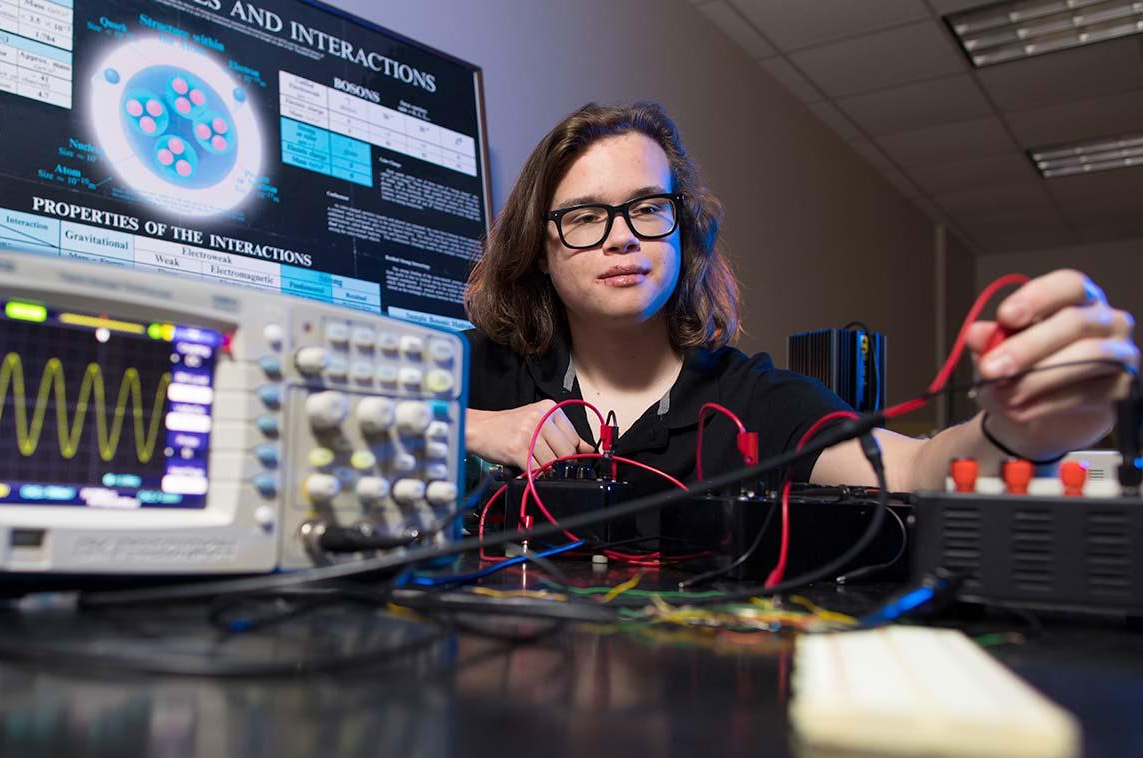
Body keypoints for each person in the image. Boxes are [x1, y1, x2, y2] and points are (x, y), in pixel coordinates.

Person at [461, 101, 1138, 494]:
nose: (621, 239)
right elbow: (355, 399)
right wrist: (476, 428)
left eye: (647, 208)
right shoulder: (487, 371)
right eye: (583, 217)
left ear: (683, 233)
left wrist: (1018, 435)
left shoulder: (755, 402)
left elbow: (914, 465)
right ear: (540, 252)